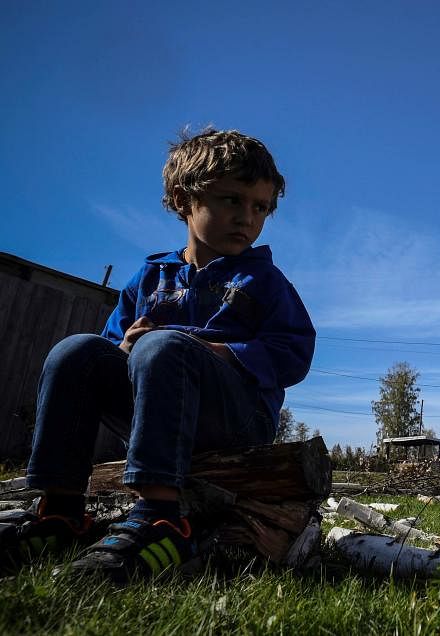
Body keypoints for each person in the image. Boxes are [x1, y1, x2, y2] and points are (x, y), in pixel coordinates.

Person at [0, 128, 316, 581]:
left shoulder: (264, 282)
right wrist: (124, 347)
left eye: (260, 207)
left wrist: (219, 352)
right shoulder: (149, 280)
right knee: (77, 351)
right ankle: (60, 510)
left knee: (165, 345)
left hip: (236, 421)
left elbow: (294, 353)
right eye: (231, 200)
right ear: (184, 200)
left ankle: (162, 519)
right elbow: (109, 350)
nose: (247, 217)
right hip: (155, 410)